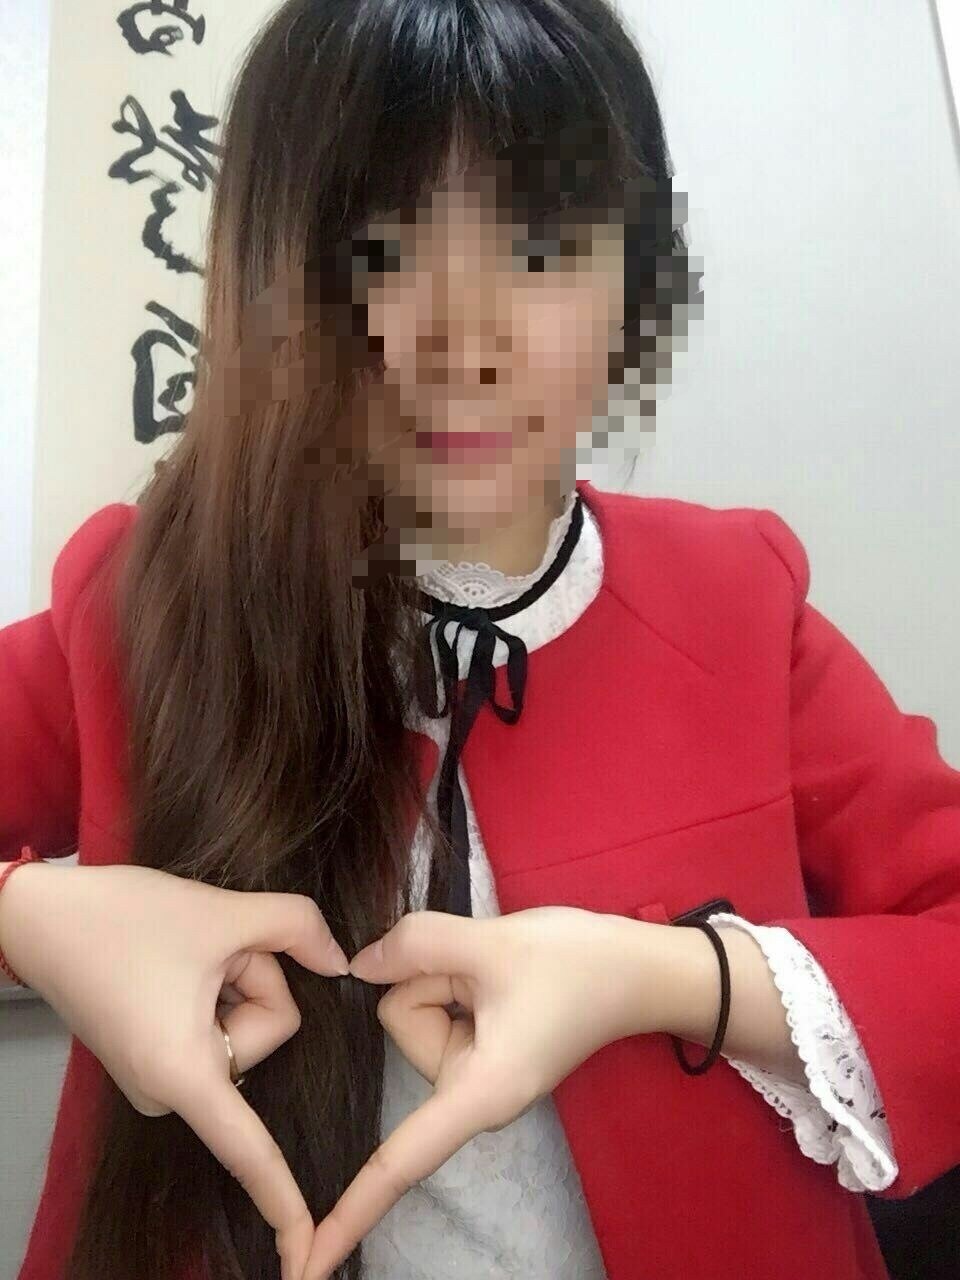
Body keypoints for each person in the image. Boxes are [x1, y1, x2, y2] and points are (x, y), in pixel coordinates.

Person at [1, 1, 958, 1278]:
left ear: (636, 281)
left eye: (540, 245)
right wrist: (29, 916)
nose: (466, 345)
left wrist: (671, 978)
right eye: (382, 249)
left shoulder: (739, 598)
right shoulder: (144, 603)